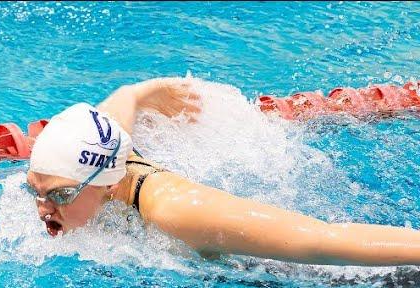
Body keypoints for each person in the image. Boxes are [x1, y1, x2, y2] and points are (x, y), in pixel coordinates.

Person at [25, 77, 420, 267]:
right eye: (35, 191)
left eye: (60, 195)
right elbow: (118, 105)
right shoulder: (103, 148)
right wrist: (144, 93)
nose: (43, 208)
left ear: (108, 185)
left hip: (357, 281)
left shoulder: (177, 211)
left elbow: (321, 238)